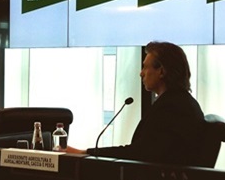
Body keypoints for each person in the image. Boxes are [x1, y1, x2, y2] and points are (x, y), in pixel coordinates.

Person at [68, 41, 205, 165]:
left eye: (145, 67)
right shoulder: (180, 102)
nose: (141, 73)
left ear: (161, 71)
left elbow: (137, 154)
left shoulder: (170, 108)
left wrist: (85, 153)